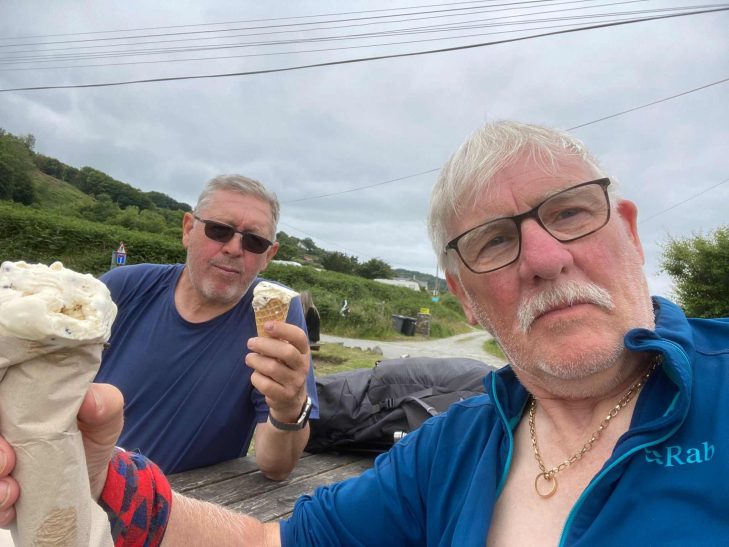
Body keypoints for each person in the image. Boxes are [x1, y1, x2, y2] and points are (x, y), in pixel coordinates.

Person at [1, 121, 728, 545]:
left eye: (568, 213)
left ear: (628, 231)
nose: (542, 257)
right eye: (493, 241)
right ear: (464, 298)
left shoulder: (281, 322)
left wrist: (289, 407)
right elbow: (267, 539)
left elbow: (276, 464)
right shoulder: (455, 446)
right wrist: (103, 478)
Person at [94, 174, 319, 477]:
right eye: (219, 230)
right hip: (76, 481)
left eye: (254, 241)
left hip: (176, 508)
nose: (234, 248)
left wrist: (289, 409)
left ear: (269, 256)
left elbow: (276, 467)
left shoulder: (274, 317)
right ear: (188, 229)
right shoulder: (123, 289)